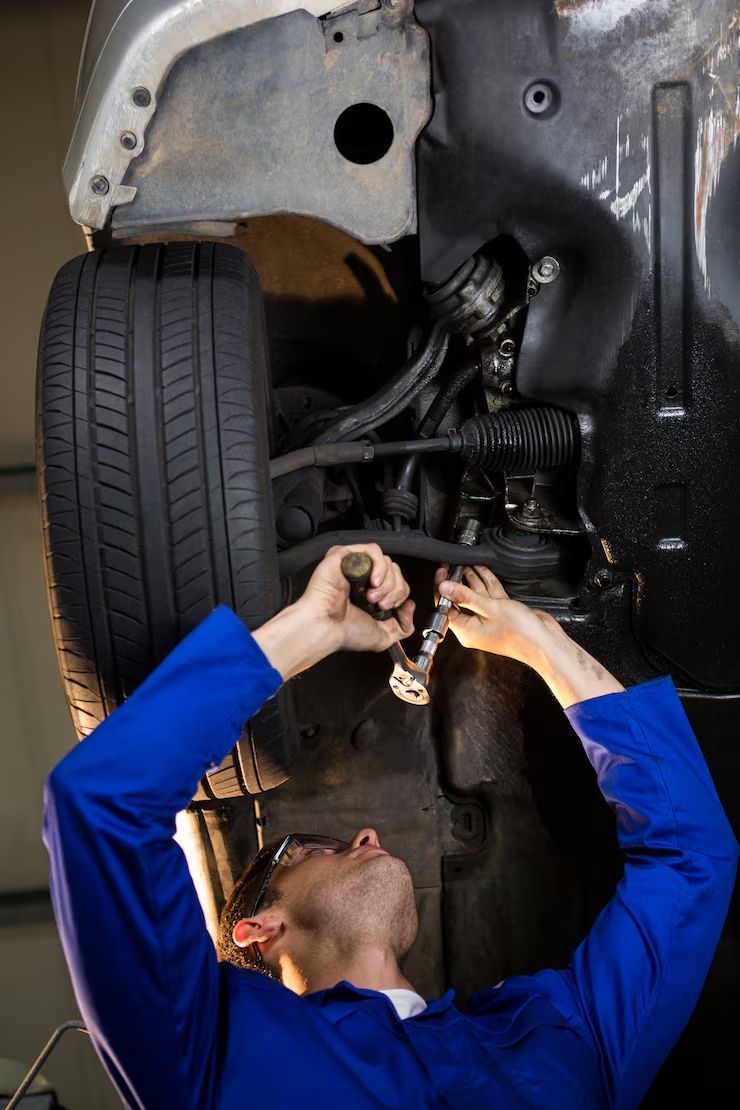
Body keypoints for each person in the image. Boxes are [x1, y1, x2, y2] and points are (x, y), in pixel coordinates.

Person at [44, 544, 736, 1109]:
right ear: (254, 932)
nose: (367, 836)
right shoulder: (203, 1045)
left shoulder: (557, 1028)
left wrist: (542, 643)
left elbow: (102, 803)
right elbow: (691, 858)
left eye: (313, 845)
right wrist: (539, 644)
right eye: (319, 845)